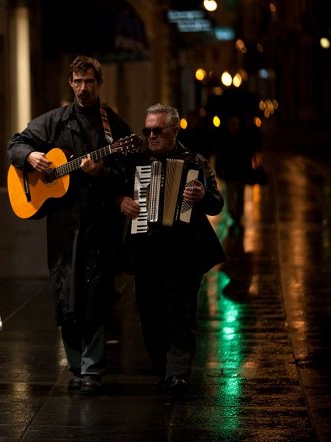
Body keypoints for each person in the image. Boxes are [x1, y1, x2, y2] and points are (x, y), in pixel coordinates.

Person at [7, 55, 132, 394]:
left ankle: (92, 370)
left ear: (99, 83)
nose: (83, 88)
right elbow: (16, 144)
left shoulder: (115, 129)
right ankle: (76, 365)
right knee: (66, 297)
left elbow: (128, 177)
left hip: (99, 226)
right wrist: (30, 157)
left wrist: (101, 172)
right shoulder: (56, 122)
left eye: (89, 81)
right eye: (77, 81)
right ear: (70, 83)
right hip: (63, 227)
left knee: (95, 297)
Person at [117, 103, 225, 399]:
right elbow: (118, 191)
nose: (151, 136)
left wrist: (203, 196)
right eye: (147, 130)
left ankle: (178, 374)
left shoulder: (195, 162)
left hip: (184, 251)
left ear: (174, 130)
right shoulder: (136, 161)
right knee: (149, 314)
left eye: (157, 130)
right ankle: (163, 370)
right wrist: (121, 202)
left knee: (181, 314)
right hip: (146, 250)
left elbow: (217, 203)